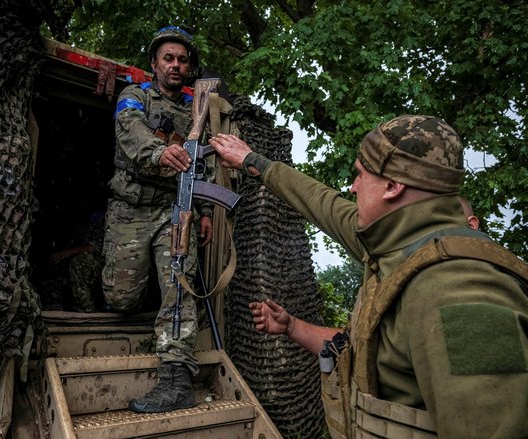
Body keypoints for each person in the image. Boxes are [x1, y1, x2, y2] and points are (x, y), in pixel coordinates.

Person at [208, 116, 528, 438]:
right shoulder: (393, 243)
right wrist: (254, 162)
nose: (352, 187)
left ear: (392, 186)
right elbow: (322, 203)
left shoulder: (457, 288)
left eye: (361, 175)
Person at [102, 26, 213, 413]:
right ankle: (146, 286)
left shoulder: (198, 109)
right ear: (155, 64)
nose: (176, 65)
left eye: (182, 60)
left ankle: (176, 378)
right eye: (168, 58)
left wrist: (203, 212)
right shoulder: (134, 96)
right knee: (120, 298)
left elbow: (206, 169)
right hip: (129, 210)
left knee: (179, 277)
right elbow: (129, 131)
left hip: (173, 209)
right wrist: (158, 152)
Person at [50, 211, 105, 313]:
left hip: (102, 262)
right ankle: (55, 304)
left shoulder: (98, 218)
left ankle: (86, 309)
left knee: (79, 262)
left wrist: (69, 252)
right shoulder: (71, 222)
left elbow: (96, 247)